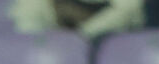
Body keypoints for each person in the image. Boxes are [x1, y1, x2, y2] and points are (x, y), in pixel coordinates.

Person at [11, 0, 144, 38]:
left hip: (114, 46)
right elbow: (26, 25)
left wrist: (82, 34)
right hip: (57, 45)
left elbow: (130, 8)